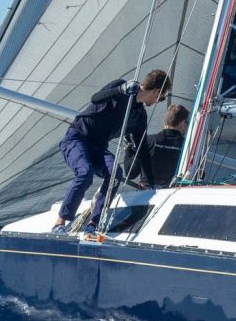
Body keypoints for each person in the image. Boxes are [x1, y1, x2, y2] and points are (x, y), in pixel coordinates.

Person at [52, 69, 171, 234]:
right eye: (162, 97)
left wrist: (149, 183)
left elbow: (141, 149)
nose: (159, 100)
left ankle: (93, 224)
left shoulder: (139, 116)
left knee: (116, 173)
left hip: (99, 148)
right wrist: (120, 90)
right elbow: (95, 98)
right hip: (77, 139)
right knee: (85, 172)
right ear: (157, 91)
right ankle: (59, 223)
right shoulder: (120, 87)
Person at [125, 103, 188, 188]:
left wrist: (129, 151)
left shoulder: (149, 141)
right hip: (172, 195)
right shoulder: (187, 147)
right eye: (186, 122)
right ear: (181, 123)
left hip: (147, 195)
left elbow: (131, 173)